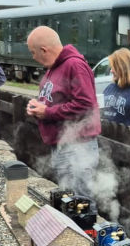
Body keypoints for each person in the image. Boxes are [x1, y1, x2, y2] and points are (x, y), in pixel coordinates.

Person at [25, 26, 101, 196]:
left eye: (33, 52)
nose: (33, 57)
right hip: (63, 145)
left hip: (78, 147)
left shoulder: (74, 65)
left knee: (80, 202)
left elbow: (86, 105)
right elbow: (54, 100)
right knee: (68, 199)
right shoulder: (53, 68)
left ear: (44, 50)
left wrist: (47, 112)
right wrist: (38, 107)